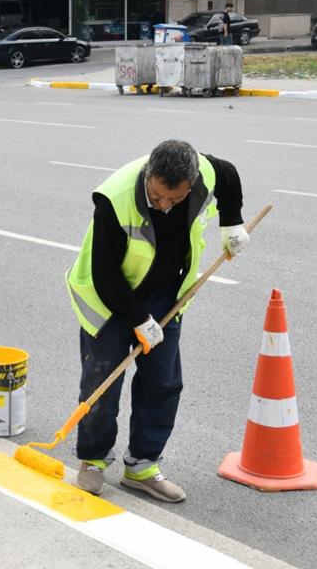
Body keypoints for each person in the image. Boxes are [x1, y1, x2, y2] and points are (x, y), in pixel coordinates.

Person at [65, 139, 247, 503]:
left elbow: (228, 175)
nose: (164, 206)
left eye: (174, 200)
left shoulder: (205, 174)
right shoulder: (114, 200)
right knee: (103, 382)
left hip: (167, 295)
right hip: (110, 300)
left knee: (162, 382)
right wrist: (138, 319)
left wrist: (232, 224)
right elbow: (105, 274)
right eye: (157, 196)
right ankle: (94, 461)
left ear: (191, 184)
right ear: (149, 175)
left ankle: (142, 466)